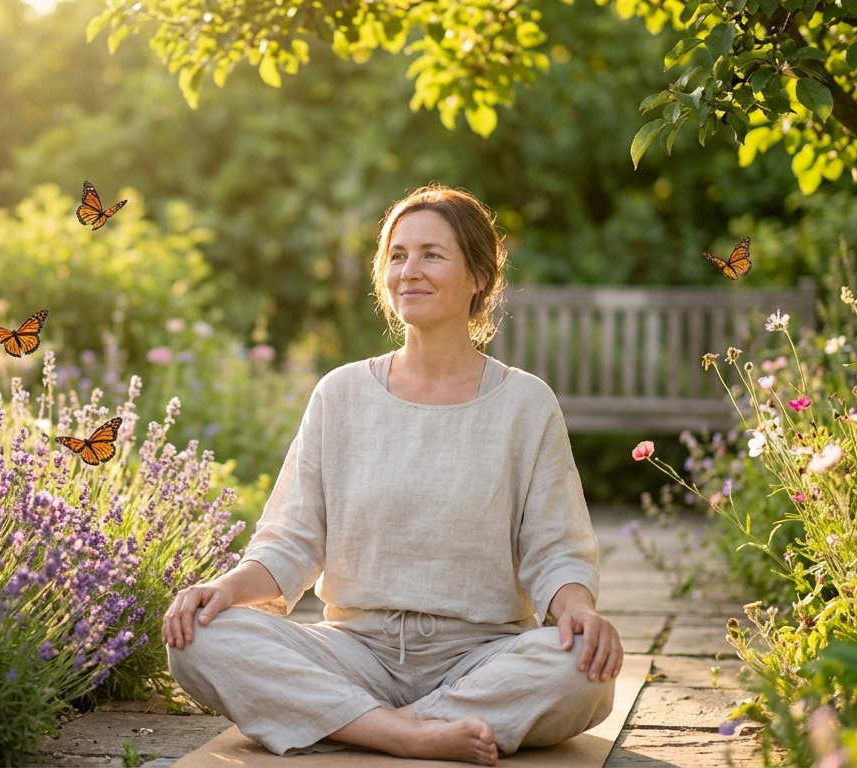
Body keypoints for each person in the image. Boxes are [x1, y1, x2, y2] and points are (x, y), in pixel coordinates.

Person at [163, 184, 620, 766]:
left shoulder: (526, 404)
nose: (410, 271)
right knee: (200, 638)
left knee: (583, 671)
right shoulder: (341, 394)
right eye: (397, 255)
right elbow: (290, 541)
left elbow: (556, 549)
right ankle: (410, 734)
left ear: (479, 275)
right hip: (356, 652)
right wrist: (221, 590)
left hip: (480, 656)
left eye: (432, 254)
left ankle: (359, 724)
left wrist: (580, 614)